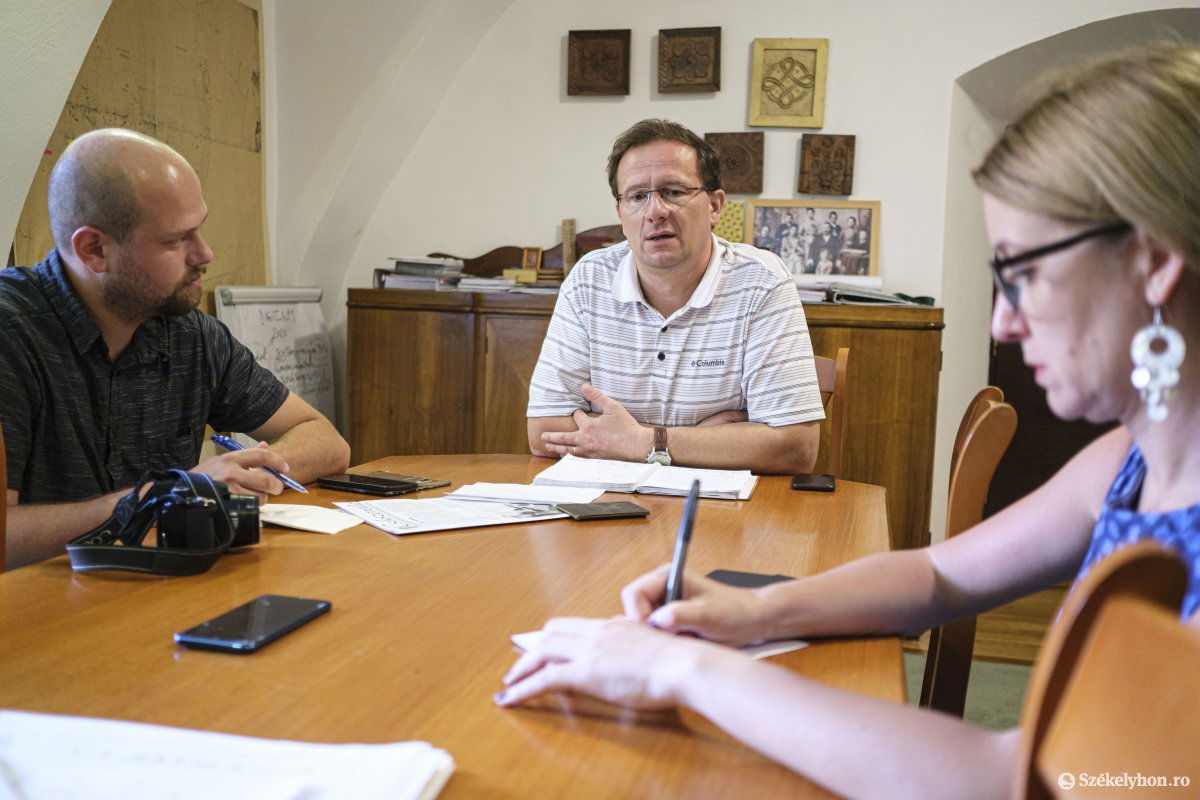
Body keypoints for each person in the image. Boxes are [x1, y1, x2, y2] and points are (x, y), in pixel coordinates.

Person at [498, 44, 1200, 797]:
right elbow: (937, 575)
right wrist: (753, 608)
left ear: (1153, 261)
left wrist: (685, 668)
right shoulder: (1127, 458)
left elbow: (1023, 781)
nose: (1003, 321)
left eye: (1023, 272)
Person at [0, 129, 351, 569]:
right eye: (175, 240)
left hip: (164, 592)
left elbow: (327, 442)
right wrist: (162, 496)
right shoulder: (11, 335)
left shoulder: (193, 335)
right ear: (94, 249)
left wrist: (246, 473)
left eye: (199, 228)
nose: (205, 253)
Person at [526, 119, 823, 473]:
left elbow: (797, 447)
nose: (655, 211)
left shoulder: (762, 282)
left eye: (674, 192)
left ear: (714, 206)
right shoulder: (588, 280)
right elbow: (544, 431)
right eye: (637, 196)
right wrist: (705, 440)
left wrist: (640, 440)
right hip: (610, 501)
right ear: (620, 213)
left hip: (722, 505)